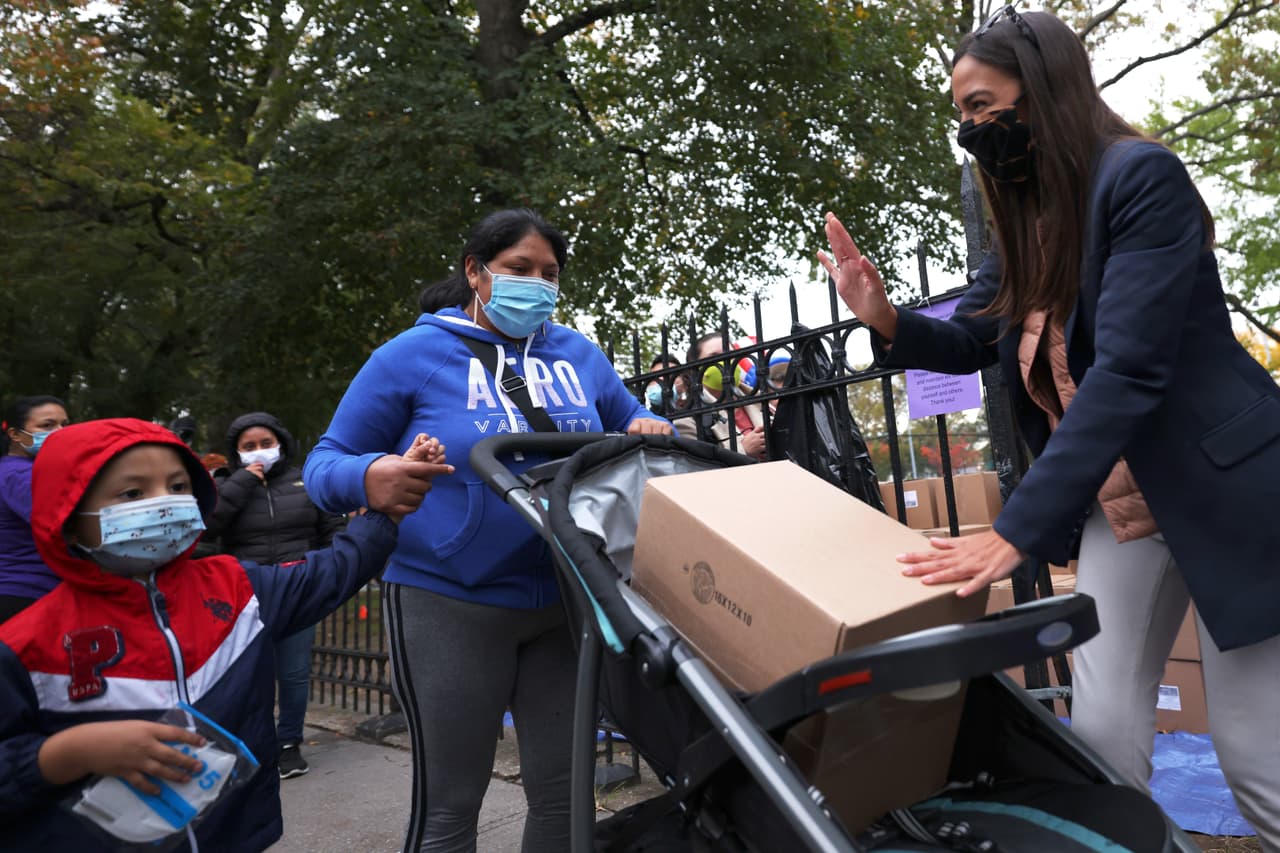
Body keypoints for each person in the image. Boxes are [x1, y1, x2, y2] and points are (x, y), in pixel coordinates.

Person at [819, 8, 1280, 848]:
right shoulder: (1021, 219)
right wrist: (885, 318)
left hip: (1224, 492)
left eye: (983, 105)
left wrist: (1012, 531)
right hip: (1121, 506)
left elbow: (1131, 369)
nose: (971, 129)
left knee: (1257, 759)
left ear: (1045, 91)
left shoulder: (1141, 180)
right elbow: (972, 335)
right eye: (961, 114)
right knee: (1100, 741)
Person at [302, 208, 671, 853]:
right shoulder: (411, 356)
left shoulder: (577, 353)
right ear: (477, 272)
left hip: (565, 597)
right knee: (450, 808)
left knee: (563, 798)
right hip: (448, 601)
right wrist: (371, 475)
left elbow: (629, 415)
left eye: (550, 273)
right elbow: (323, 464)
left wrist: (645, 424)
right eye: (519, 269)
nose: (538, 283)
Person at [0, 418, 449, 851]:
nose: (164, 503)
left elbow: (330, 574)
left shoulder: (234, 588)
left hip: (237, 835)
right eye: (133, 492)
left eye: (178, 488)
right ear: (70, 514)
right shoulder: (25, 645)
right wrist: (64, 755)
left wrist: (385, 510)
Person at [206, 411, 347, 780]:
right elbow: (209, 526)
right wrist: (241, 483)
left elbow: (331, 528)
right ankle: (255, 743)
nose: (259, 452)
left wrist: (319, 570)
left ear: (280, 444)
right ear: (235, 452)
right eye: (248, 446)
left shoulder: (303, 480)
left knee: (294, 671)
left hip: (297, 587)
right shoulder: (227, 484)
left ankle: (289, 744)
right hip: (246, 593)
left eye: (266, 444)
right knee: (251, 672)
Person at [0, 396, 70, 623]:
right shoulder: (20, 476)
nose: (59, 432)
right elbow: (65, 526)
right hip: (26, 594)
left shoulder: (17, 470)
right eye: (47, 426)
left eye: (64, 425)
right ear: (15, 434)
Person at [674, 332, 768, 460]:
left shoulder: (763, 400)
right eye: (714, 356)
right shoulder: (688, 420)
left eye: (729, 353)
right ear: (695, 369)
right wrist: (743, 451)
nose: (725, 360)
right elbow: (697, 468)